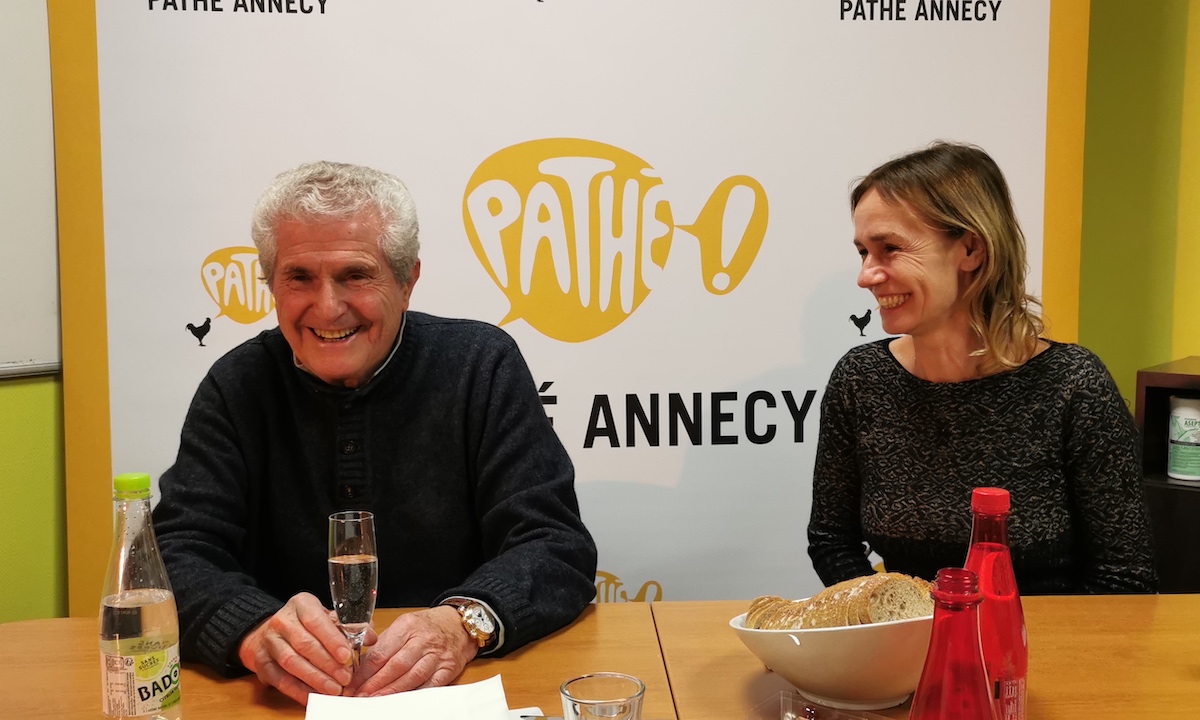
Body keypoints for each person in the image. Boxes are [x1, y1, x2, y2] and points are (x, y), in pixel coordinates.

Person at [152, 161, 598, 705]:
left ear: (407, 279)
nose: (327, 306)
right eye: (299, 278)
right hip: (287, 702)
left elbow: (554, 543)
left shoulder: (481, 365)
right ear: (270, 283)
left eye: (355, 275)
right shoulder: (235, 384)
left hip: (456, 693)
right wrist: (253, 631)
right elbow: (175, 554)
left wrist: (463, 624)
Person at [807, 141, 1157, 595]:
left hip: (1041, 655)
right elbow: (832, 541)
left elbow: (1125, 578)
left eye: (889, 248)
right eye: (862, 252)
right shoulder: (861, 379)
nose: (866, 275)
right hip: (909, 653)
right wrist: (891, 625)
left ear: (971, 249)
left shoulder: (1073, 384)